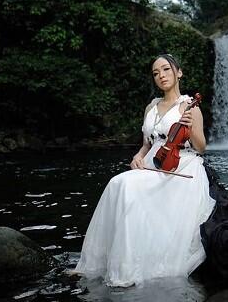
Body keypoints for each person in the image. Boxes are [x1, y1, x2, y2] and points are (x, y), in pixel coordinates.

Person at [74, 54, 216, 287]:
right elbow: (147, 144)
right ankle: (99, 263)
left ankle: (128, 269)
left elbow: (201, 148)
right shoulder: (151, 106)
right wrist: (137, 157)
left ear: (178, 72)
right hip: (153, 163)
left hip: (181, 165)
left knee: (128, 186)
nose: (161, 75)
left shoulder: (190, 107)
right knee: (117, 183)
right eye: (156, 73)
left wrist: (191, 128)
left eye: (166, 69)